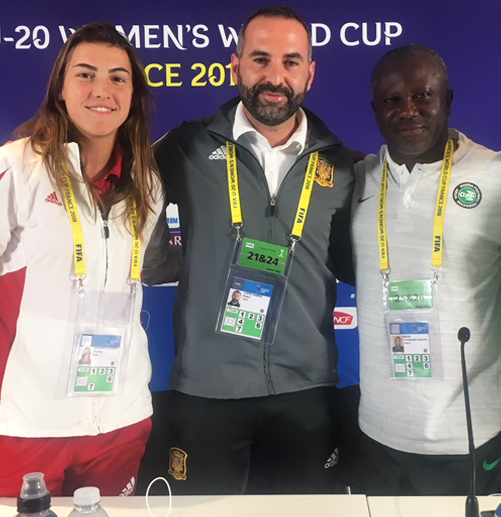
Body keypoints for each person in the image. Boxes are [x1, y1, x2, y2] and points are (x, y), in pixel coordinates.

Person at [0, 22, 167, 498]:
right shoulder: (13, 168)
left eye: (118, 78)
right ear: (61, 89)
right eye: (86, 74)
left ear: (133, 94)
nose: (102, 90)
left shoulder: (147, 186)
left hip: (119, 421)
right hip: (23, 423)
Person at [145, 6, 354, 494]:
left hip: (307, 389)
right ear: (235, 64)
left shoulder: (341, 163)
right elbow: (108, 173)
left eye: (290, 61)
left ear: (310, 72)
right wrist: (35, 142)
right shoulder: (187, 146)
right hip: (206, 390)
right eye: (260, 60)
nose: (275, 77)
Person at [350, 44, 501, 495]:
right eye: (393, 100)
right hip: (379, 431)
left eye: (423, 95)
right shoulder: (356, 180)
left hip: (476, 432)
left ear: (447, 100)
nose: (408, 110)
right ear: (375, 110)